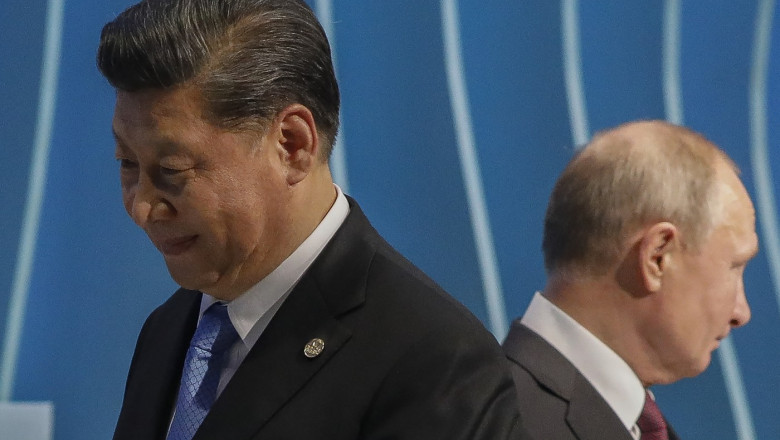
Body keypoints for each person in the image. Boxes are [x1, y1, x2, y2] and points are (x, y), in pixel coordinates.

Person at [97, 0, 526, 439]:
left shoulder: (435, 363)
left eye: (172, 170)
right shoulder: (169, 329)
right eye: (126, 162)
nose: (141, 208)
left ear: (292, 145)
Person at [502, 120, 758, 440]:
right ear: (657, 256)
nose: (741, 313)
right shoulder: (501, 424)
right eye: (734, 267)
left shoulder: (631, 422)